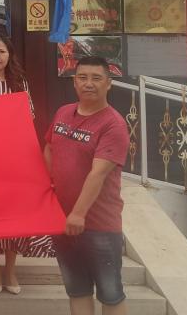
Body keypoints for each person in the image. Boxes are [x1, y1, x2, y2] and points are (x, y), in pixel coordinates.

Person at [0, 34, 53, 295]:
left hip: (15, 161)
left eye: (2, 51)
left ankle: (11, 270)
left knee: (15, 214)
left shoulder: (18, 84)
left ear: (9, 56)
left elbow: (28, 119)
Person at [45, 55, 129, 315]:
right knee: (77, 290)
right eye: (82, 77)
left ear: (108, 83)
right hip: (62, 222)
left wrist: (78, 213)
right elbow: (49, 147)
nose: (88, 83)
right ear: (74, 82)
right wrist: (48, 185)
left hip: (99, 225)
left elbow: (98, 173)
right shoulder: (63, 112)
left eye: (96, 78)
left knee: (110, 294)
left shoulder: (113, 124)